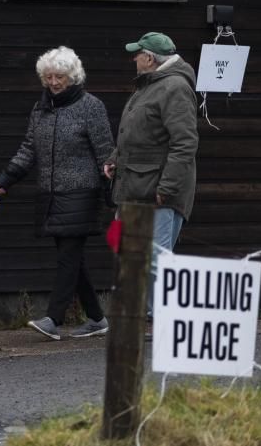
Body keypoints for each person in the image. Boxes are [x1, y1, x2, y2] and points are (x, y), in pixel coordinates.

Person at [0, 46, 115, 341]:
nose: (54, 82)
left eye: (59, 76)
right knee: (71, 257)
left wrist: (113, 191)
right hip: (51, 195)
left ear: (73, 77)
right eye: (48, 77)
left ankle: (53, 319)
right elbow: (28, 150)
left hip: (82, 193)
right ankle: (97, 319)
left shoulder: (91, 107)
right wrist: (5, 180)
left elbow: (107, 154)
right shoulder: (41, 109)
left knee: (68, 256)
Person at [103, 32, 199, 323]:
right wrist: (114, 159)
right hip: (135, 187)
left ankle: (163, 321)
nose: (133, 58)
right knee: (132, 253)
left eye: (137, 53)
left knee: (156, 261)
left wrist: (166, 187)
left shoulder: (175, 88)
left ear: (149, 58)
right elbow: (139, 135)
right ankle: (144, 314)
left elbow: (185, 143)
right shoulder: (149, 87)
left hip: (158, 191)